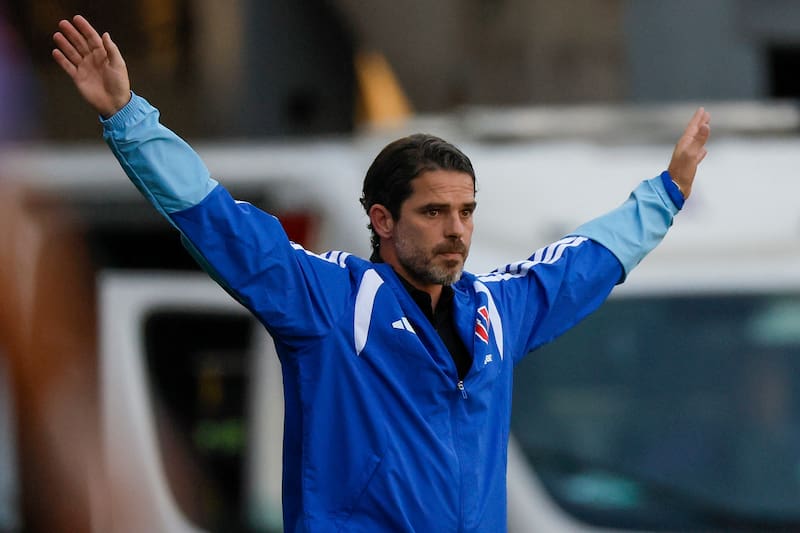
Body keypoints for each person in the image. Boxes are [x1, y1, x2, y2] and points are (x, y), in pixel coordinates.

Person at [52, 14, 710, 532]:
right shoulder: (330, 303)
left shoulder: (495, 312)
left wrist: (667, 193)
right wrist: (128, 117)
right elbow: (220, 222)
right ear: (383, 220)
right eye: (433, 211)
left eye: (466, 211)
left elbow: (585, 263)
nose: (456, 228)